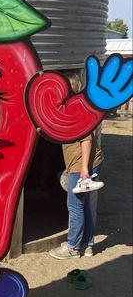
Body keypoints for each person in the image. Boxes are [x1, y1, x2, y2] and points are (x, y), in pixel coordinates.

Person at [50, 72, 104, 260]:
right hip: (89, 163)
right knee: (85, 205)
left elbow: (86, 140)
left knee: (75, 205)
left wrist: (83, 170)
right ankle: (88, 245)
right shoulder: (78, 106)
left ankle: (73, 248)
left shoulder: (76, 110)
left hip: (81, 166)